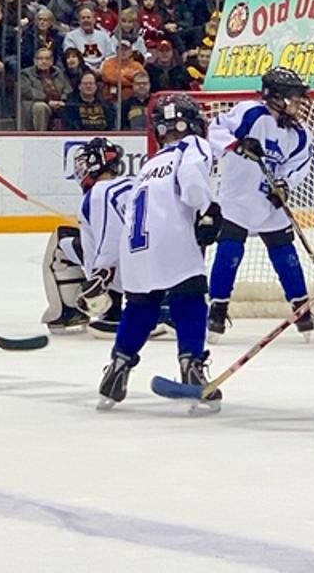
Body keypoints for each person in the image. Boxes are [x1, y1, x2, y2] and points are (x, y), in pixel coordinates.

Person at [97, 94, 222, 411]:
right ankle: (192, 366)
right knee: (190, 296)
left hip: (135, 245)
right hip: (171, 235)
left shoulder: (148, 163)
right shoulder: (192, 146)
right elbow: (193, 178)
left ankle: (117, 367)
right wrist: (207, 209)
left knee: (141, 305)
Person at [204, 68, 314, 342]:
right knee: (230, 251)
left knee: (286, 256)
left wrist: (285, 186)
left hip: (269, 199)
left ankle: (301, 309)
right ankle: (217, 310)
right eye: (294, 98)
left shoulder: (300, 133)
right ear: (275, 97)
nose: (299, 104)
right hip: (238, 196)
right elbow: (215, 129)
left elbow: (298, 165)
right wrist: (237, 145)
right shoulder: (251, 112)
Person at [46, 137, 132, 337]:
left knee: (60, 240)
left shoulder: (98, 194)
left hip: (123, 274)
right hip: (158, 271)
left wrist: (100, 277)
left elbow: (109, 239)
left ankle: (69, 313)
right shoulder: (132, 184)